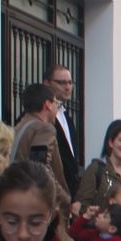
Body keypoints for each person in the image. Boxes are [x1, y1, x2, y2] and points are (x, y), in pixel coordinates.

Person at [12, 83, 73, 209]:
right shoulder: (44, 129)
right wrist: (64, 197)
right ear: (48, 105)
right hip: (39, 201)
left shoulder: (17, 128)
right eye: (56, 103)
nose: (57, 107)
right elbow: (41, 167)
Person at [43, 65, 82, 199]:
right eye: (61, 82)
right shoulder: (42, 117)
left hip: (68, 194)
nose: (67, 87)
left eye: (70, 83)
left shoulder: (67, 118)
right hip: (51, 194)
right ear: (47, 83)